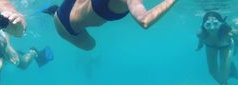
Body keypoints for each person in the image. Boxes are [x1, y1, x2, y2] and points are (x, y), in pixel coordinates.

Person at [42, 0, 178, 50]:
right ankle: (53, 13)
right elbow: (145, 21)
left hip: (70, 6)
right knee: (91, 45)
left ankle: (55, 10)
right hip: (65, 26)